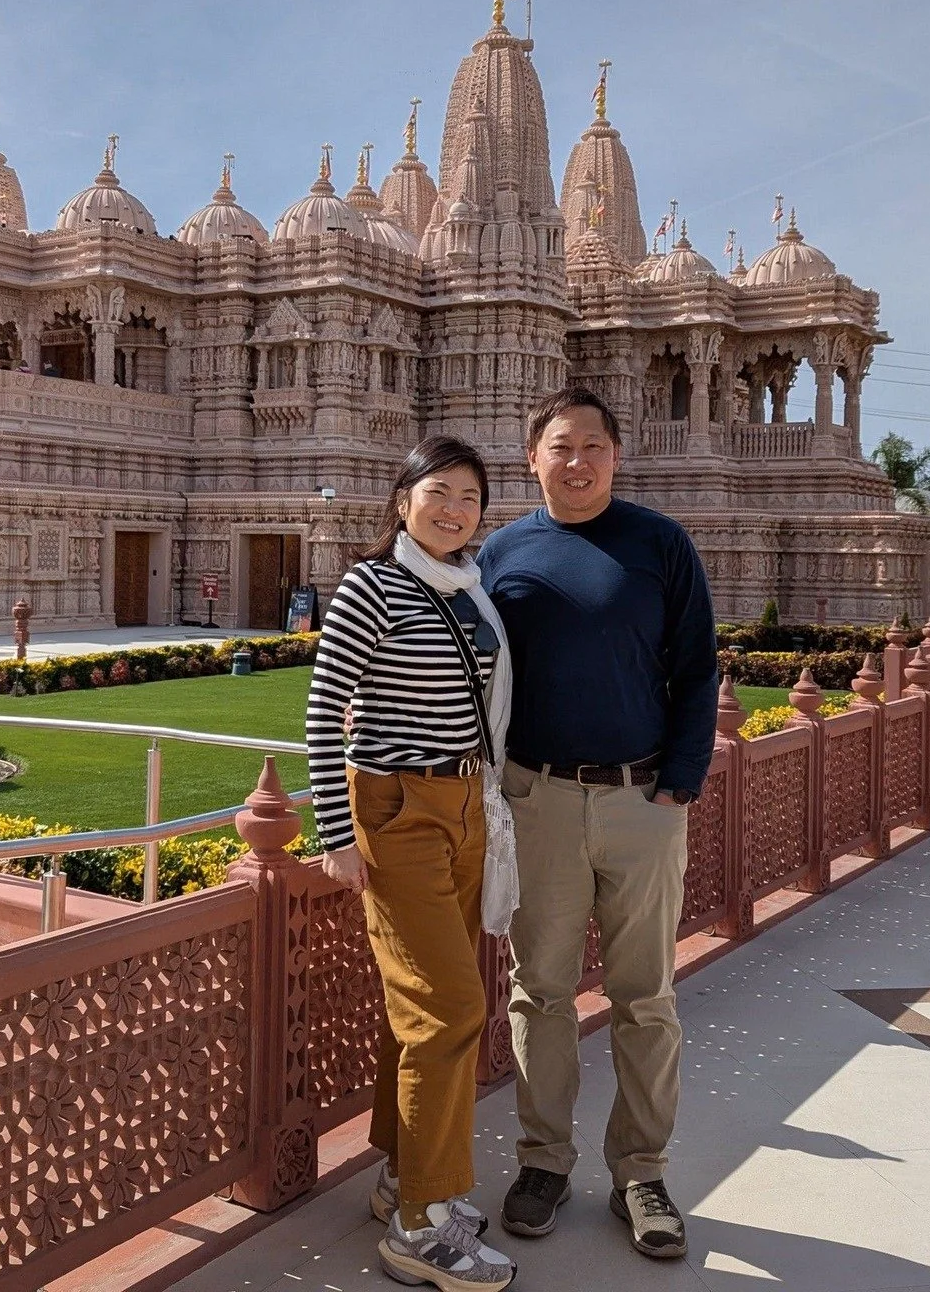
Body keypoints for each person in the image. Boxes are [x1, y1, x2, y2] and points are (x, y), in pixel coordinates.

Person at [477, 388, 717, 1262]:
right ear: (530, 458)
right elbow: (473, 677)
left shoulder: (659, 544)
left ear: (617, 455)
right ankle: (543, 1160)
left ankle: (640, 1171)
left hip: (640, 800)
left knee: (644, 996)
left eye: (592, 447)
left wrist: (680, 782)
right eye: (558, 447)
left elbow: (697, 667)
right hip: (538, 799)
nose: (575, 462)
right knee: (538, 991)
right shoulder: (503, 553)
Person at [307, 437, 517, 1292]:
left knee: (421, 1006)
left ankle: (401, 1175)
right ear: (402, 501)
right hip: (397, 811)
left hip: (464, 805)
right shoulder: (372, 585)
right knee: (452, 1005)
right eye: (437, 492)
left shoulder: (470, 590)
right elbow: (325, 713)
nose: (453, 508)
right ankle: (423, 1226)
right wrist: (334, 835)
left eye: (469, 496)